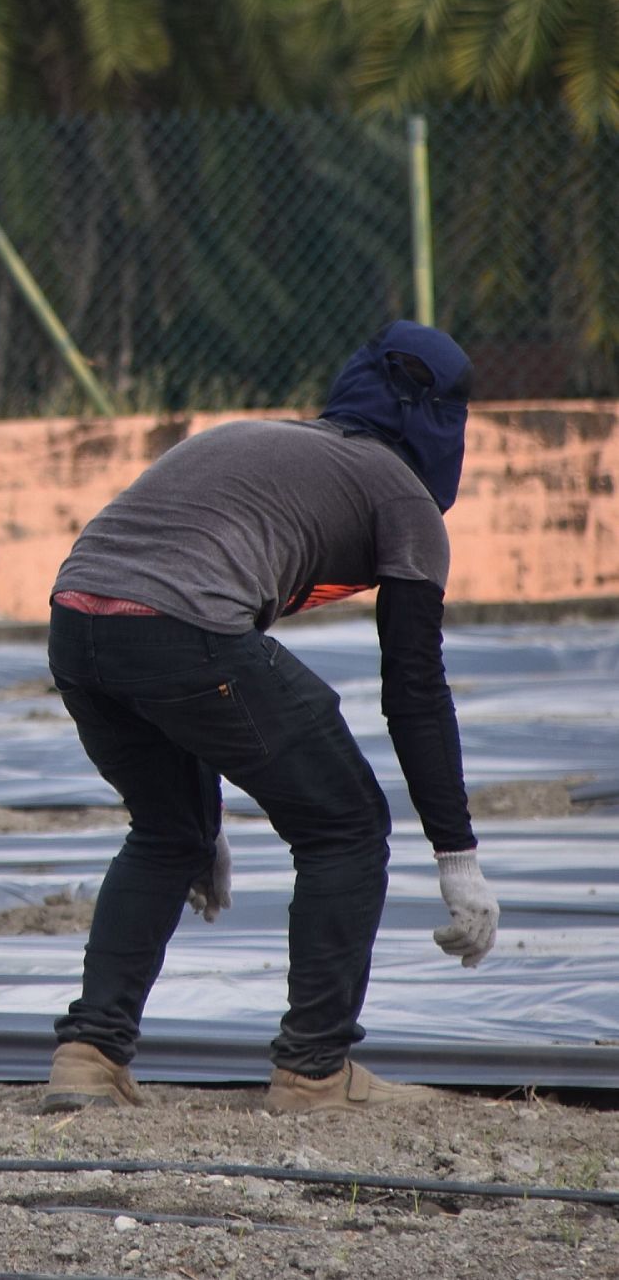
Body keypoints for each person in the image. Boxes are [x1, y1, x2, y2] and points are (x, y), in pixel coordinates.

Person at [38, 321, 499, 1116]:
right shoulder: (403, 496)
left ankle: (88, 1057)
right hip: (179, 629)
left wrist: (199, 817)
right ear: (443, 423)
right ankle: (315, 1070)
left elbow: (166, 608)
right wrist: (457, 856)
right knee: (346, 822)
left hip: (76, 626)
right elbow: (414, 687)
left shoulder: (252, 440)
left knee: (166, 828)